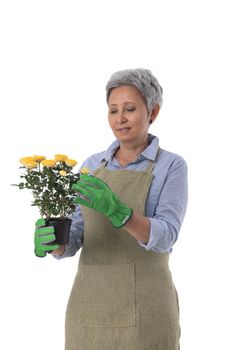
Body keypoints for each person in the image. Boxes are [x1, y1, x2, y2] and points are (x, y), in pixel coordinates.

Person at [34, 68, 188, 350]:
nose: (120, 118)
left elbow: (167, 235)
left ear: (152, 112)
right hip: (89, 308)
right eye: (113, 110)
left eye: (130, 109)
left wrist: (121, 213)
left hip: (148, 308)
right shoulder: (92, 166)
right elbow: (76, 237)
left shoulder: (171, 166)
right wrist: (54, 242)